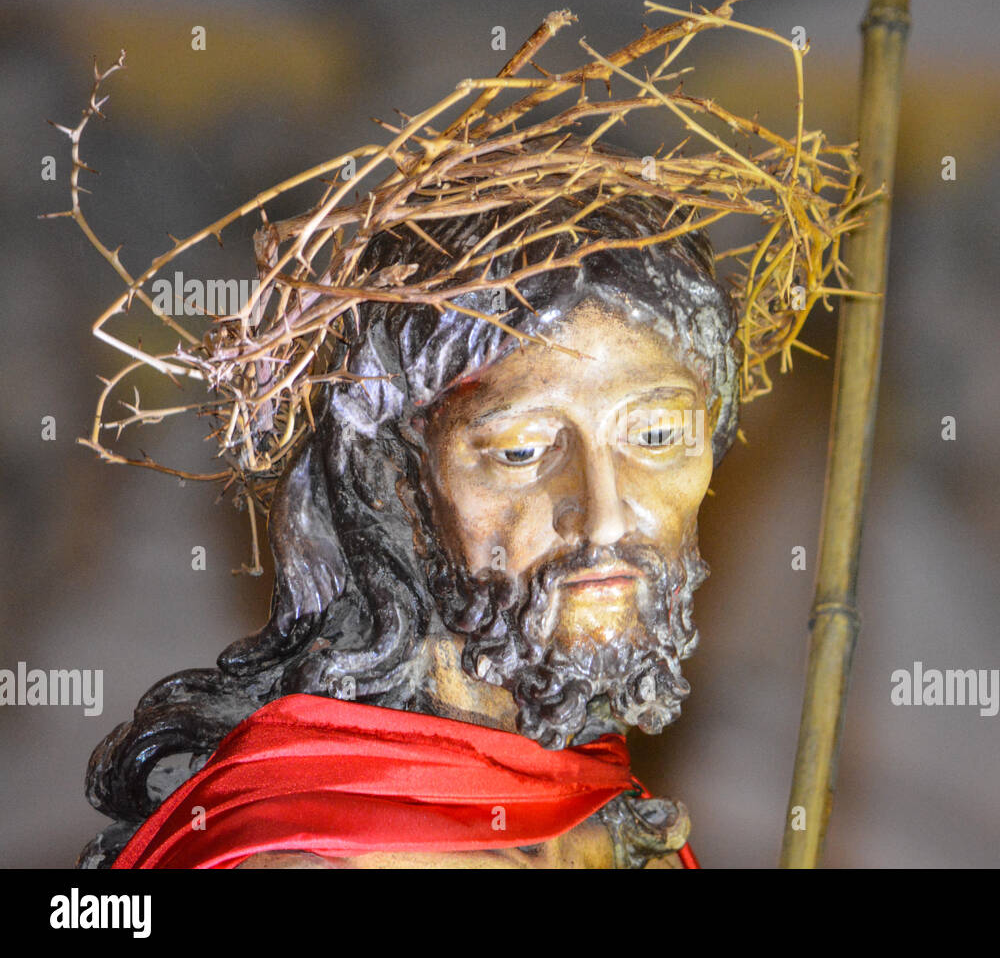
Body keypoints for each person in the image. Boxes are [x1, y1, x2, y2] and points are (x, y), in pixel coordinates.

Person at [79, 190, 742, 869]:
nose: (602, 515)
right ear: (399, 480)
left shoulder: (610, 817)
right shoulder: (322, 854)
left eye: (658, 436)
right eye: (519, 450)